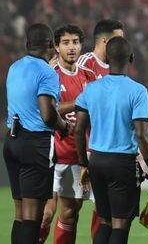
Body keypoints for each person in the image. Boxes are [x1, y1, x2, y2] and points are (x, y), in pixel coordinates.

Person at [73, 36, 148, 244]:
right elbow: (141, 133)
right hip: (122, 164)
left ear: (107, 58)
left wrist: (84, 163)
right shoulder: (138, 91)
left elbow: (78, 130)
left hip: (97, 161)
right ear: (131, 58)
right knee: (120, 225)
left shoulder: (91, 89)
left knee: (104, 221)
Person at [4, 23, 70, 244]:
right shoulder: (47, 72)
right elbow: (47, 114)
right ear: (51, 45)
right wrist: (64, 126)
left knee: (20, 213)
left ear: (27, 44)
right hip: (36, 143)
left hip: (12, 141)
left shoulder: (14, 67)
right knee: (33, 216)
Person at [41, 25, 97, 244]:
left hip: (77, 154)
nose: (71, 47)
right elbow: (48, 110)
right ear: (56, 47)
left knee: (70, 213)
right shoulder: (50, 74)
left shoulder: (88, 75)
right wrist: (81, 101)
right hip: (52, 154)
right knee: (45, 214)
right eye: (65, 43)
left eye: (75, 42)